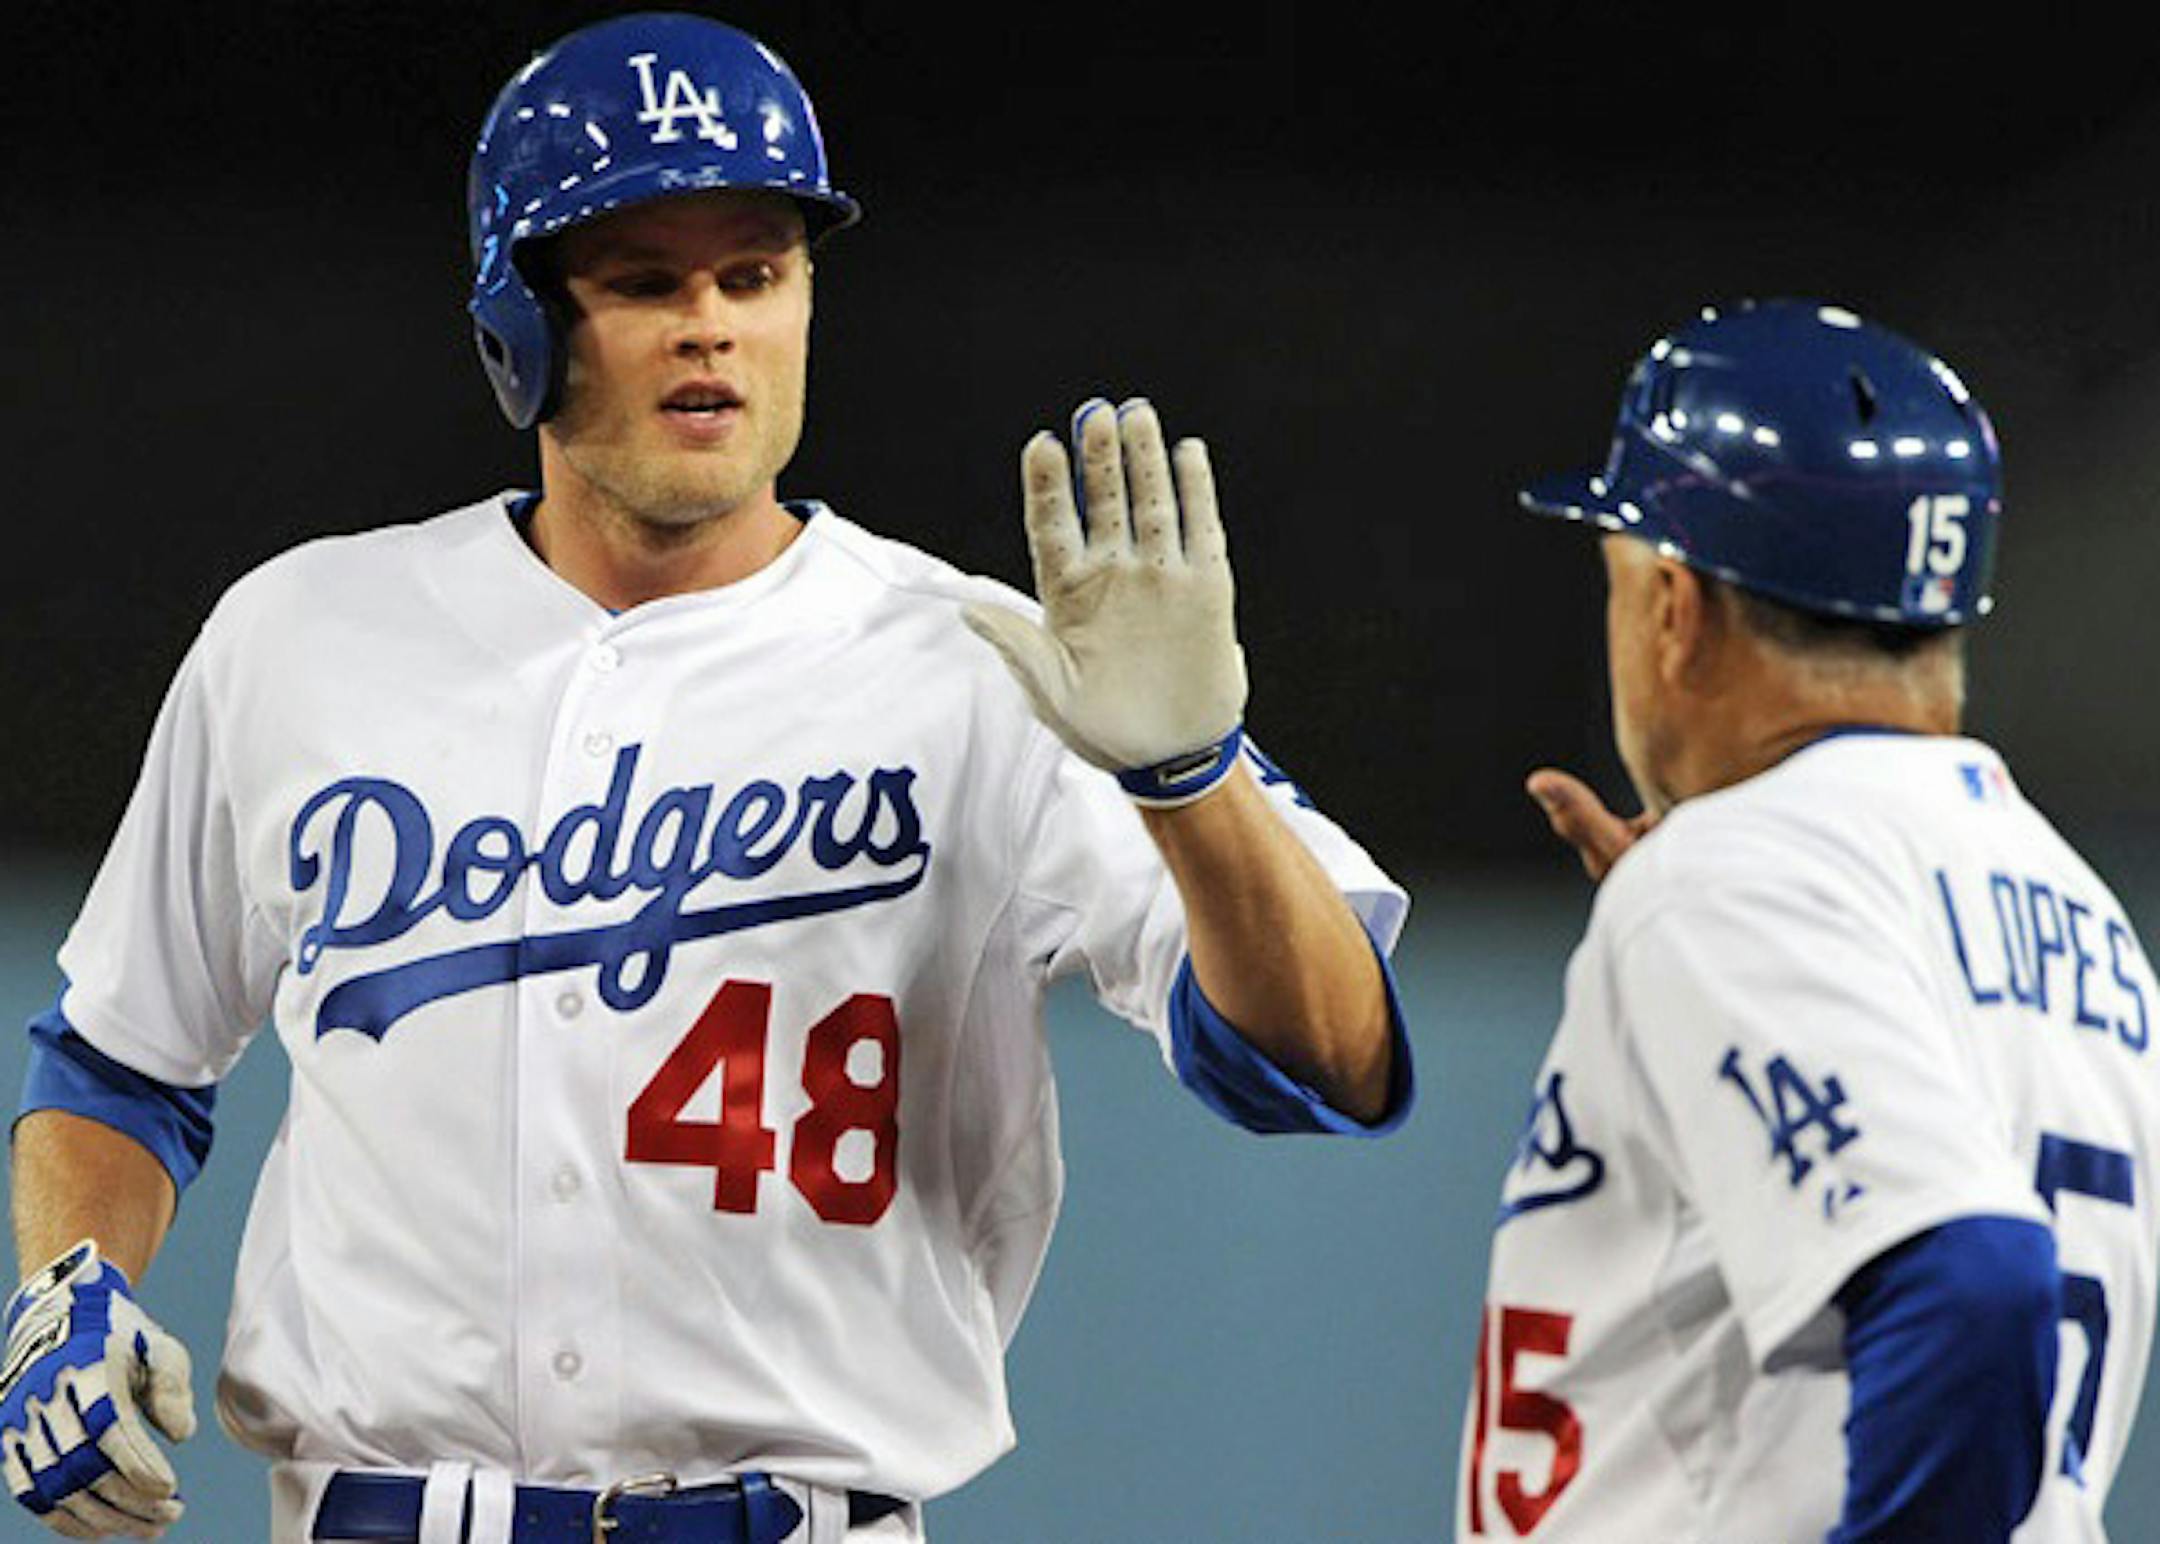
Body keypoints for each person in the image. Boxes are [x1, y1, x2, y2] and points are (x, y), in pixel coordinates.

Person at [0, 13, 1414, 1542]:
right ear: (518, 327)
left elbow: (1330, 1062)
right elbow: (122, 1060)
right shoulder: (303, 634)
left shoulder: (988, 662)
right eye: (644, 280)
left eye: (756, 272)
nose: (712, 325)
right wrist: (72, 1289)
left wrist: (1190, 783)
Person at [1459, 298, 2158, 1540]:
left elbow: (1973, 1283)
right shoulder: (2086, 917)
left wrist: (1707, 905)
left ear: (1676, 606)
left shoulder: (1731, 880)